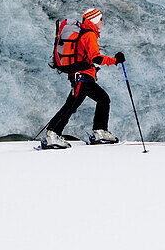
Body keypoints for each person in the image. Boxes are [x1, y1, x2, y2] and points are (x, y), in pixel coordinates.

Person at [44, 8, 125, 149]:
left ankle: (99, 132)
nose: (102, 22)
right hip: (82, 77)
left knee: (102, 99)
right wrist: (115, 60)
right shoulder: (89, 35)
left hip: (82, 76)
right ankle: (53, 134)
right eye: (100, 19)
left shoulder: (86, 33)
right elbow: (96, 58)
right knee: (73, 105)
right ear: (94, 20)